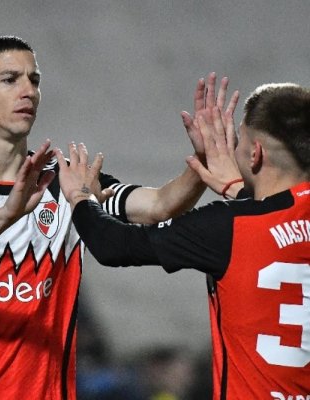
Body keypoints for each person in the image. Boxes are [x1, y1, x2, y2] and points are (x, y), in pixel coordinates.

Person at [0, 35, 230, 399]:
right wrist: (7, 215)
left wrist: (202, 161)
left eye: (34, 80)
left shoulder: (69, 180)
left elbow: (159, 205)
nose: (28, 91)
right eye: (10, 80)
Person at [54, 83, 310, 399]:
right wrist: (235, 190)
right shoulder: (239, 220)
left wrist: (80, 195)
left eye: (239, 141)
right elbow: (281, 219)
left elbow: (113, 245)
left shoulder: (227, 227)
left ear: (255, 153)